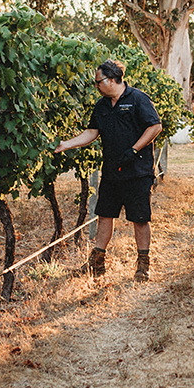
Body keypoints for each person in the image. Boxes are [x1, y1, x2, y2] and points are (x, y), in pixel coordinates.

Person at [55, 59, 163, 281]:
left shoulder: (137, 99)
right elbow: (92, 132)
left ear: (112, 79)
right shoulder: (101, 106)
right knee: (104, 215)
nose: (96, 86)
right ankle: (97, 263)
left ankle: (143, 265)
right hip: (113, 171)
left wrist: (134, 150)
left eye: (99, 81)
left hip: (138, 171)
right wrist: (67, 144)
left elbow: (155, 126)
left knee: (139, 218)